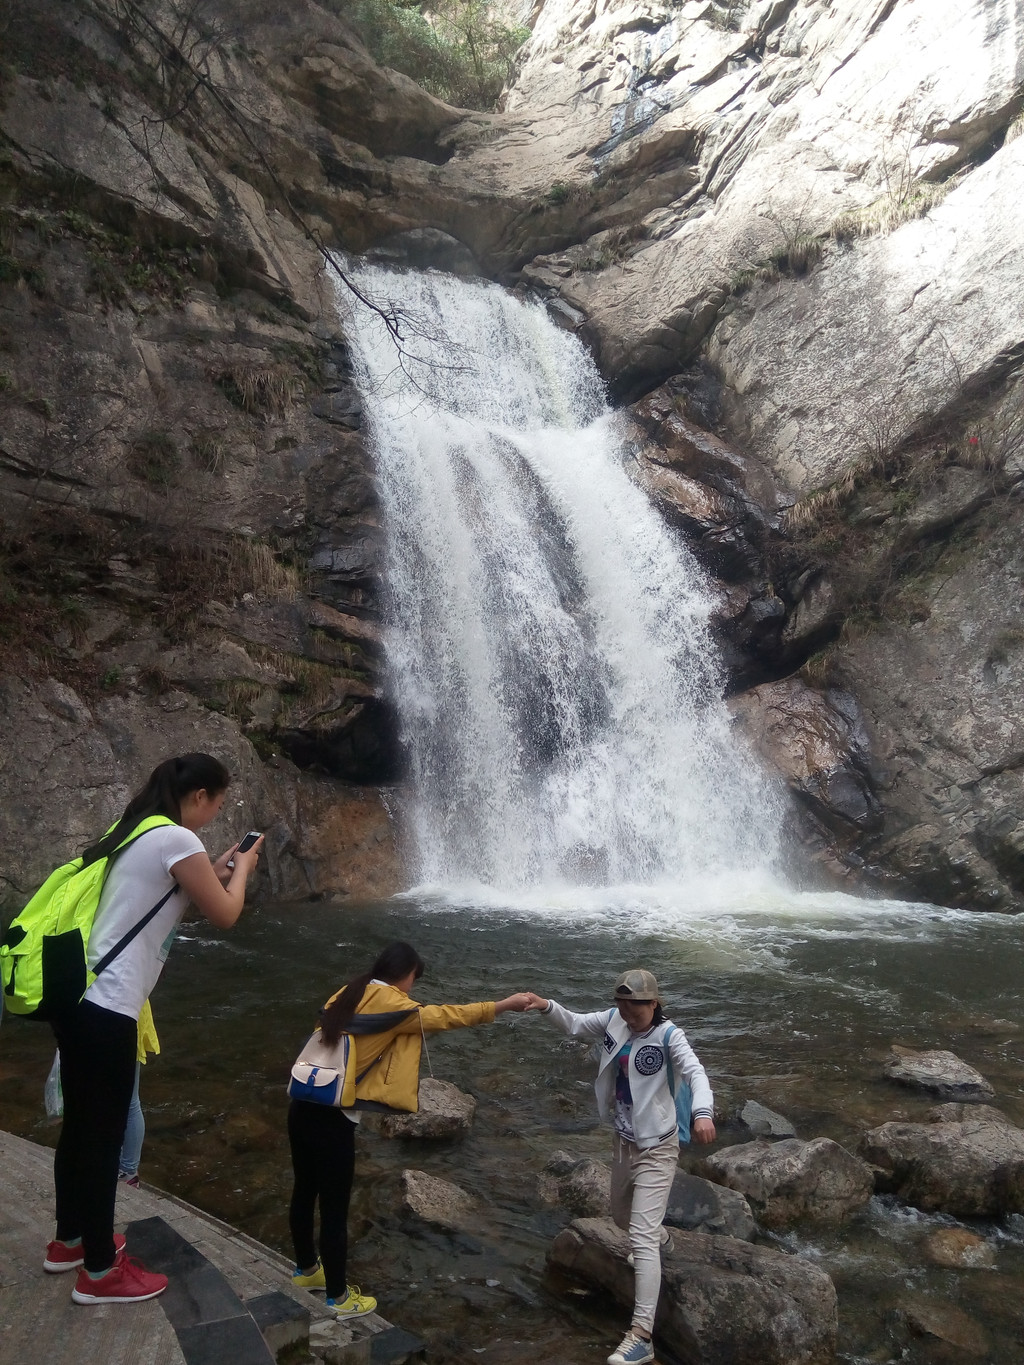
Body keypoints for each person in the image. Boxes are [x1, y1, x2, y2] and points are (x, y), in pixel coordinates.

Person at [43, 753, 263, 1305]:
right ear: (199, 797)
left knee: (80, 1130)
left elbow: (167, 895)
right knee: (102, 1139)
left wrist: (215, 871)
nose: (216, 812)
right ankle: (98, 1273)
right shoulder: (178, 840)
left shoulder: (139, 830)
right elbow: (227, 914)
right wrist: (244, 873)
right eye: (218, 801)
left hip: (81, 1002)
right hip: (111, 1009)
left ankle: (69, 1241)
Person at [288, 941, 533, 1320]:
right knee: (335, 1210)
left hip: (302, 1103)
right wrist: (502, 1005)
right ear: (405, 976)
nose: (412, 989)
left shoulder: (349, 990)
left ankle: (306, 1270)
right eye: (413, 981)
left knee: (304, 1191)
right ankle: (337, 1297)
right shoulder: (397, 1005)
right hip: (333, 1119)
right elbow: (448, 1016)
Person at [525, 970, 716, 1365]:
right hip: (623, 1140)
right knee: (621, 1216)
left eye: (636, 1007)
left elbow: (696, 1073)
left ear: (654, 1004)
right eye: (622, 1006)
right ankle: (661, 1238)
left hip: (658, 1145)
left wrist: (702, 1113)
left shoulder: (669, 1036)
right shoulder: (615, 1021)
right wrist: (545, 1006)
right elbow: (576, 1024)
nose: (628, 1014)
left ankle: (641, 1336)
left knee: (639, 1239)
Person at [117, 999, 160, 1188]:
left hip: (123, 1014)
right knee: (124, 1101)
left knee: (130, 1102)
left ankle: (128, 1170)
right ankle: (124, 1168)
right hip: (126, 1010)